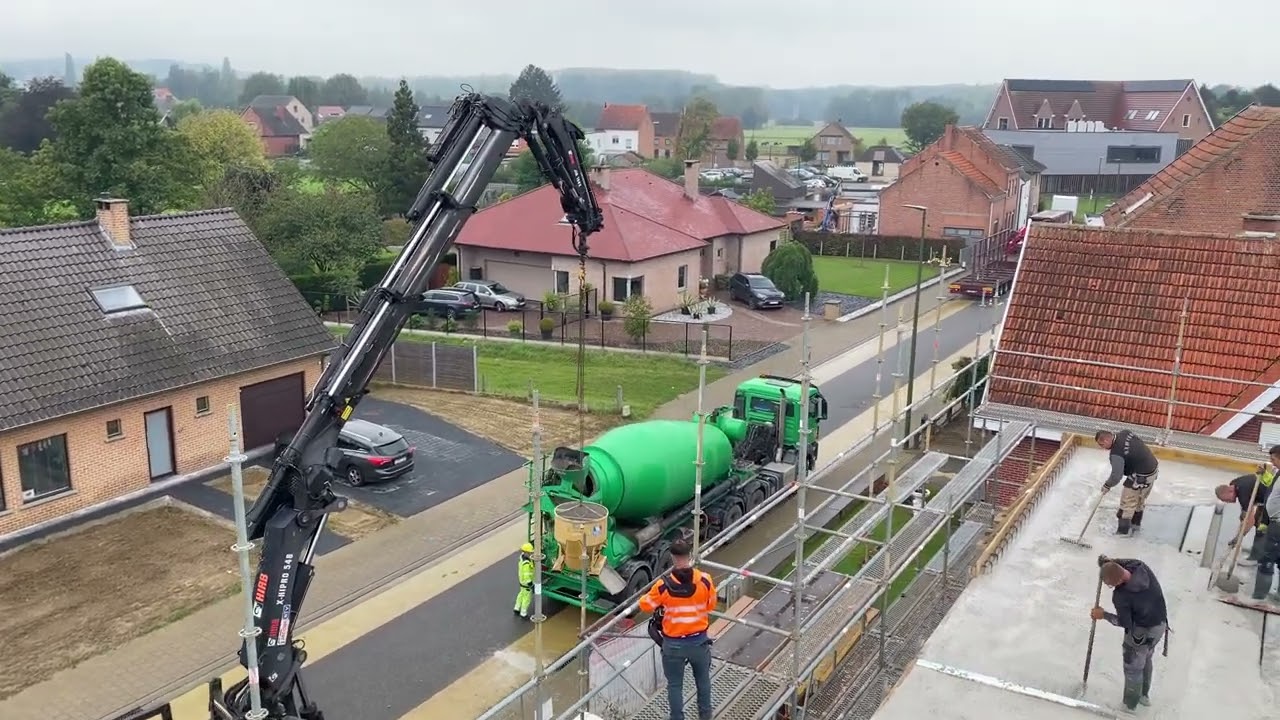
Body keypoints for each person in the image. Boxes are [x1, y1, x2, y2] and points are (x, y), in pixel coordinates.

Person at [640, 539, 717, 720]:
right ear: (690, 556)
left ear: (673, 558)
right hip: (698, 642)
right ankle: (705, 716)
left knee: (675, 685)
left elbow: (644, 605)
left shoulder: (663, 586)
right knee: (703, 681)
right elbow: (711, 605)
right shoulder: (705, 580)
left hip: (673, 644)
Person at [1090, 556, 1168, 711]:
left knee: (1133, 667)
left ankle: (1129, 706)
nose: (1111, 587)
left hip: (1141, 634)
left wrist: (1103, 615)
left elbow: (1125, 623)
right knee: (1146, 659)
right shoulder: (1139, 565)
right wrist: (1108, 561)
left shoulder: (1121, 596)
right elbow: (1118, 563)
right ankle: (1144, 696)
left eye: (1110, 585)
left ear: (1118, 582)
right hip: (1160, 625)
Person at [1095, 430, 1160, 536]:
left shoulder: (1116, 453)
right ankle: (1135, 528)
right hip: (1152, 469)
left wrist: (1107, 485)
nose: (1102, 448)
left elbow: (1116, 476)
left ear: (1107, 440)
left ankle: (1121, 535)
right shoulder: (1125, 433)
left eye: (1102, 444)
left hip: (1140, 476)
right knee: (1139, 501)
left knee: (1127, 504)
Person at [1214, 471, 1272, 565]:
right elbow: (1250, 500)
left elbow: (1250, 521)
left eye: (1226, 499)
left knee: (1262, 526)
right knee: (1258, 521)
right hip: (1265, 494)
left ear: (1229, 491)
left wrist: (1238, 538)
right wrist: (1244, 512)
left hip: (1273, 498)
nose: (1228, 502)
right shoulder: (1234, 483)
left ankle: (1261, 557)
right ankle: (1258, 553)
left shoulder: (1242, 494)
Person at [1251, 469, 1280, 602]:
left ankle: (1259, 598)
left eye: (1274, 458)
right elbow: (1271, 490)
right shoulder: (1277, 473)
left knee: (1266, 560)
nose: (1272, 461)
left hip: (1277, 524)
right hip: (1273, 521)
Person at [513, 542, 534, 619]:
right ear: (526, 552)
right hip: (526, 583)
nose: (531, 554)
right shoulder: (526, 564)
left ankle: (517, 607)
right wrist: (530, 583)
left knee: (521, 594)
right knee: (527, 598)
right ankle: (523, 613)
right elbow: (527, 575)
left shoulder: (521, 558)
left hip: (521, 581)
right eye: (530, 552)